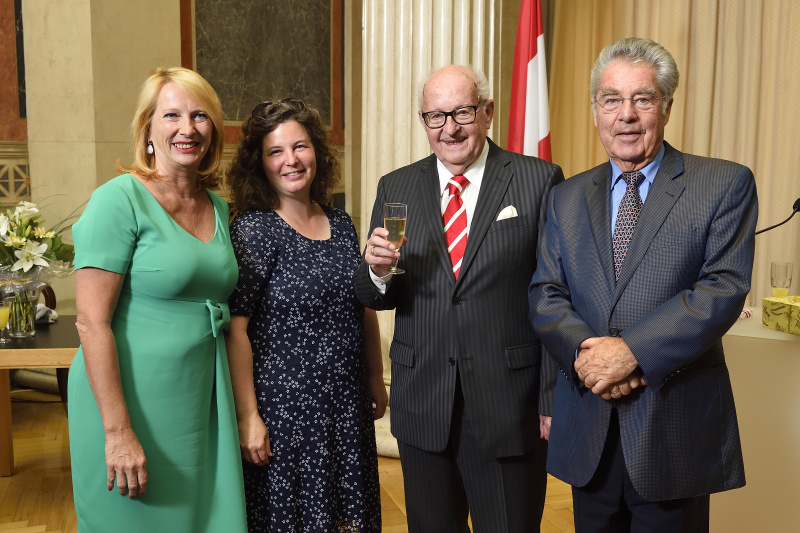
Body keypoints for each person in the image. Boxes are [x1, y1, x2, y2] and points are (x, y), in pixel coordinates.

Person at [529, 37, 757, 532]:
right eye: (611, 99)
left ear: (667, 107)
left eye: (642, 99)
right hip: (588, 425)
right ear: (596, 111)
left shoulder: (722, 184)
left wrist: (631, 353)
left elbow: (722, 288)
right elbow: (546, 294)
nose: (626, 115)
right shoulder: (566, 197)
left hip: (672, 431)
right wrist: (588, 356)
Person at [355, 65, 564, 532]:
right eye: (436, 116)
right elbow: (373, 295)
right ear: (423, 121)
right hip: (423, 402)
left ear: (487, 112)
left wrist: (552, 397)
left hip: (508, 405)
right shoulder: (396, 186)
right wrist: (377, 271)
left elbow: (555, 294)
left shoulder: (539, 180)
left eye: (462, 112)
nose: (449, 128)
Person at [68, 67, 247, 531]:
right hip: (129, 403)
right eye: (171, 115)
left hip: (200, 401)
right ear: (147, 129)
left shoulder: (219, 207)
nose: (188, 128)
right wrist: (118, 431)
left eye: (200, 116)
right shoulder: (118, 199)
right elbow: (90, 322)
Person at [226, 97, 386, 532]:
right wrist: (248, 416)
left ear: (317, 150)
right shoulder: (253, 230)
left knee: (349, 519)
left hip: (346, 407)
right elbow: (235, 331)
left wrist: (375, 377)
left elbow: (361, 307)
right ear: (259, 164)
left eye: (300, 146)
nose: (291, 160)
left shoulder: (342, 224)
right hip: (286, 417)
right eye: (275, 151)